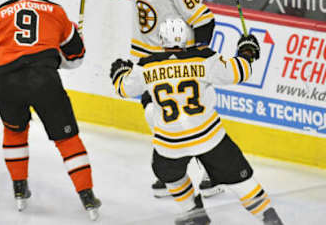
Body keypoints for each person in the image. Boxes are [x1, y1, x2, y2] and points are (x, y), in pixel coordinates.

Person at [80, 0, 221, 198]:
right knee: (156, 116)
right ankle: (174, 172)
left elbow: (205, 21)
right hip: (145, 58)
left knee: (190, 118)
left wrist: (197, 56)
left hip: (177, 61)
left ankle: (213, 172)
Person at [109, 19, 284, 225]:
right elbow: (239, 72)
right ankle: (268, 216)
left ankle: (194, 212)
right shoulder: (203, 58)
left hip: (170, 144)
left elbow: (124, 89)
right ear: (186, 39)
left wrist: (120, 73)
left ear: (161, 39)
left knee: (169, 175)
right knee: (241, 180)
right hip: (209, 137)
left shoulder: (146, 66)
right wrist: (247, 51)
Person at [0, 0, 101, 220]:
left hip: (8, 82)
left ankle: (19, 190)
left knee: (15, 131)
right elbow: (75, 59)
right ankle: (87, 196)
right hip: (45, 80)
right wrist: (63, 49)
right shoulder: (57, 11)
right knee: (67, 139)